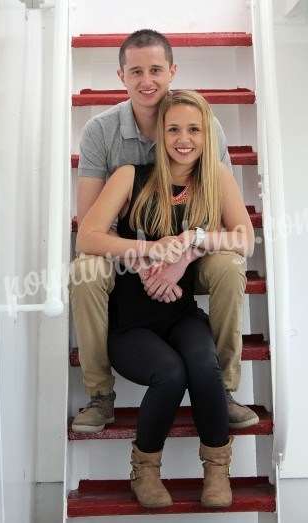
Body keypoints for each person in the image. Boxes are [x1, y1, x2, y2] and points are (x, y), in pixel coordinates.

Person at [70, 28, 259, 434]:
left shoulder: (202, 124)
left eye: (156, 69)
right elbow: (90, 226)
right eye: (135, 71)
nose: (146, 81)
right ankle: (100, 394)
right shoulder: (102, 133)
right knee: (85, 270)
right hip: (127, 250)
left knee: (229, 265)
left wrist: (184, 254)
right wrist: (147, 257)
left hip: (192, 247)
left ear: (172, 71)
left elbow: (221, 216)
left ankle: (223, 388)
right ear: (121, 76)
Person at [76, 90, 255, 508]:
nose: (184, 139)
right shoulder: (128, 174)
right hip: (132, 319)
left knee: (203, 365)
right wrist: (147, 253)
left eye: (194, 129)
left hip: (180, 309)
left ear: (208, 134)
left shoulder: (215, 180)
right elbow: (88, 235)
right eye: (173, 129)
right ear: (159, 133)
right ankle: (145, 468)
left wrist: (191, 243)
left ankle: (216, 468)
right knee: (171, 373)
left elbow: (244, 238)